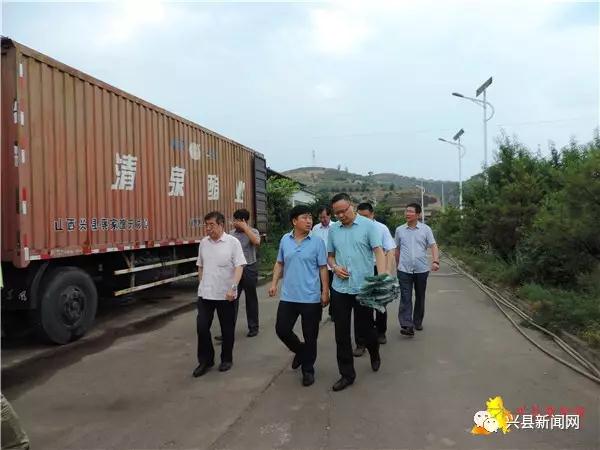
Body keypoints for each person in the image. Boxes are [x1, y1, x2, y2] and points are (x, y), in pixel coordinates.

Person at [327, 193, 386, 392]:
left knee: (366, 329)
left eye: (343, 211)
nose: (340, 215)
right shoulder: (334, 230)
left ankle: (374, 351)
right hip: (340, 288)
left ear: (351, 205)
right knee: (341, 333)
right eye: (336, 213)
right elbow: (330, 256)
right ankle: (347, 375)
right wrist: (335, 267)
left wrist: (381, 278)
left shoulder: (369, 226)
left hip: (363, 287)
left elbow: (378, 251)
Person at [269, 205, 329, 387]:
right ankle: (301, 351)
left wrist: (325, 291)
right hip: (289, 296)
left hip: (310, 297)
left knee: (310, 336)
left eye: (310, 217)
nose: (309, 221)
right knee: (282, 329)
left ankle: (308, 370)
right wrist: (274, 283)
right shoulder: (285, 240)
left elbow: (323, 268)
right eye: (305, 217)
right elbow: (279, 263)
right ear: (294, 221)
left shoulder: (317, 242)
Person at [193, 211, 246, 377]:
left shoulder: (232, 242)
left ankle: (226, 359)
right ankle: (206, 360)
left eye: (212, 225)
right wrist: (201, 284)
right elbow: (201, 265)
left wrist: (233, 287)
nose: (208, 228)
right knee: (202, 327)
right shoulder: (204, 243)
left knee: (227, 329)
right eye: (206, 225)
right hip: (206, 294)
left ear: (221, 225)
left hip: (225, 294)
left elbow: (239, 266)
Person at [355, 202, 396, 351]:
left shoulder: (381, 228)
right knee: (360, 306)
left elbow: (390, 250)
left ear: (372, 214)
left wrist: (387, 271)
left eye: (366, 216)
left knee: (380, 303)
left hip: (378, 268)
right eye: (360, 216)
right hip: (360, 271)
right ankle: (361, 342)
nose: (363, 219)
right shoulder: (353, 228)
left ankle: (380, 332)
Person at [394, 203, 439, 337]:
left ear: (418, 215)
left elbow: (433, 245)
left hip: (421, 270)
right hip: (404, 270)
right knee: (405, 297)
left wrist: (435, 261)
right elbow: (397, 249)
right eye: (406, 211)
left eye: (410, 211)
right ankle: (407, 325)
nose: (407, 213)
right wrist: (398, 265)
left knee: (420, 296)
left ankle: (417, 321)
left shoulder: (426, 229)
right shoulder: (399, 230)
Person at [229, 208, 261, 337]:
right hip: (235, 269)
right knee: (232, 299)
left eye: (237, 220)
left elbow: (256, 242)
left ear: (243, 220)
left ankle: (253, 327)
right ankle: (228, 329)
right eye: (234, 220)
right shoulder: (231, 234)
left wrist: (245, 228)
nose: (234, 223)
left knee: (251, 298)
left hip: (249, 268)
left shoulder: (253, 231)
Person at [311, 206, 334, 322]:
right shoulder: (315, 228)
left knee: (334, 291)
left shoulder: (336, 227)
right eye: (320, 217)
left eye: (325, 217)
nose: (323, 220)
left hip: (333, 266)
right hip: (319, 266)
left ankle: (333, 313)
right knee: (319, 290)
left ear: (330, 216)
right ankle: (317, 315)